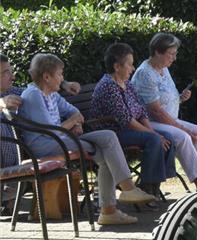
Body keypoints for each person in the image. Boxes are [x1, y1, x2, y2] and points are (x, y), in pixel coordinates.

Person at [18, 53, 157, 225]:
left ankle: (116, 203)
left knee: (108, 137)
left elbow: (75, 112)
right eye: (60, 74)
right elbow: (49, 132)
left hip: (60, 138)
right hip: (45, 144)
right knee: (105, 150)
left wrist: (75, 122)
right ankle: (114, 205)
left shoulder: (52, 93)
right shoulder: (34, 95)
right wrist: (72, 122)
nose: (62, 79)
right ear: (46, 77)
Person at [132, 33, 197, 192]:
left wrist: (179, 98)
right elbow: (156, 111)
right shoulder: (145, 73)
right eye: (171, 54)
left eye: (175, 54)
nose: (174, 58)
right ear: (158, 52)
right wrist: (184, 129)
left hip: (167, 119)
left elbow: (164, 99)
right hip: (149, 122)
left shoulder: (163, 68)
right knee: (184, 137)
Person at [92, 43, 176, 197]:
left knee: (168, 137)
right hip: (113, 133)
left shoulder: (127, 84)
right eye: (129, 65)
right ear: (117, 66)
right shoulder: (108, 86)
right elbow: (127, 120)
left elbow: (141, 112)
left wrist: (153, 131)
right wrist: (155, 135)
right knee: (154, 140)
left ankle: (154, 186)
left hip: (129, 130)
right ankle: (146, 188)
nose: (132, 68)